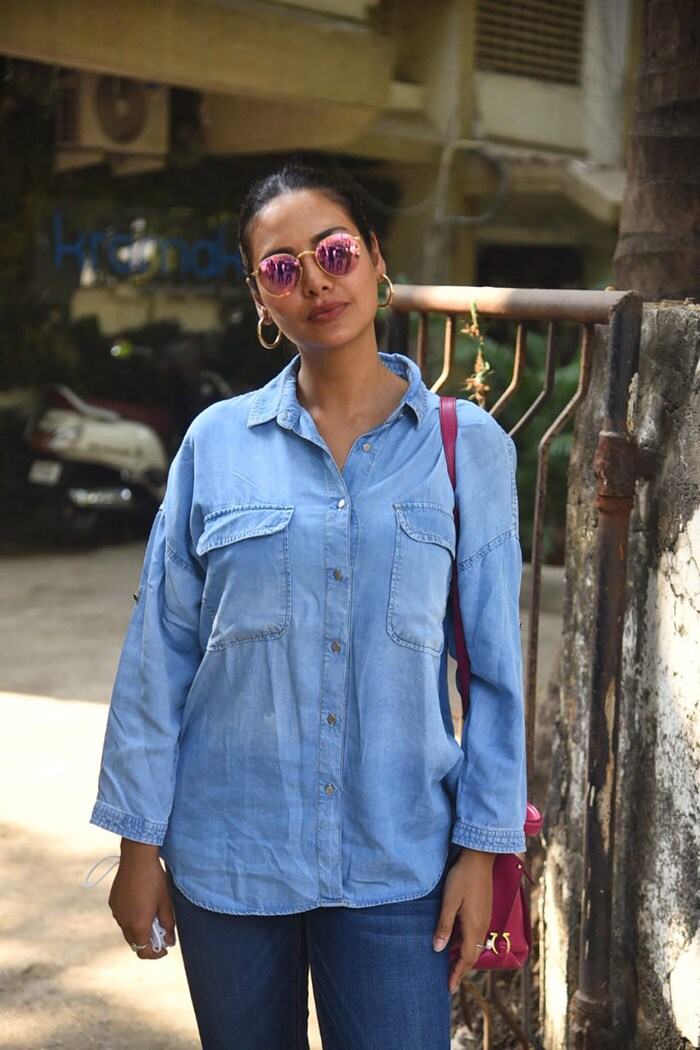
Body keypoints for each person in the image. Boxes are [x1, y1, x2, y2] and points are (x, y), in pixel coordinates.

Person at [91, 162, 527, 1050]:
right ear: (261, 297)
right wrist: (138, 844)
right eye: (282, 268)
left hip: (398, 860)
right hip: (229, 857)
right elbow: (161, 651)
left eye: (333, 251)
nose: (316, 281)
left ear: (375, 260)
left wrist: (484, 848)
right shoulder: (215, 445)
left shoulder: (465, 446)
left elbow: (493, 666)